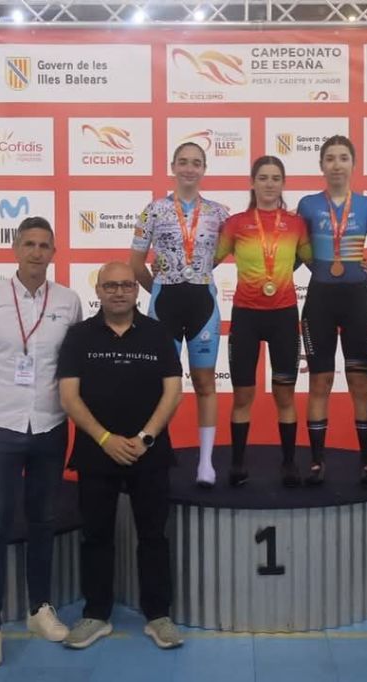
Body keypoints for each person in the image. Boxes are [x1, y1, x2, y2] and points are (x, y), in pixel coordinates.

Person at [0, 216, 83, 669]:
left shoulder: (68, 301)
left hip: (50, 425)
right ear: (15, 249)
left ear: (53, 252)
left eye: (44, 245)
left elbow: (73, 360)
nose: (36, 252)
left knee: (43, 520)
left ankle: (39, 609)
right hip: (2, 427)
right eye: (29, 244)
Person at [57, 261, 185, 650]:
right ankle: (96, 615)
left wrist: (145, 438)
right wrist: (104, 438)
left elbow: (173, 390)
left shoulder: (158, 333)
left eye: (126, 285)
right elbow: (69, 396)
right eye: (110, 286)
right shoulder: (78, 336)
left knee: (153, 536)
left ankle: (158, 616)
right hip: (96, 452)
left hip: (150, 452)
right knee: (96, 536)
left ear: (136, 290)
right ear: (98, 291)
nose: (118, 292)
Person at [130, 143, 230, 488]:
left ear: (204, 169)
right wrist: (158, 289)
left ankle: (206, 463)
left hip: (203, 304)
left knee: (205, 383)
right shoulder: (153, 210)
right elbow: (135, 263)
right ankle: (158, 455)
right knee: (161, 385)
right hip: (165, 304)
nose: (189, 168)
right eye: (183, 162)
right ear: (172, 166)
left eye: (196, 163)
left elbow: (224, 253)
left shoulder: (219, 213)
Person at [297, 135, 367, 485]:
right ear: (321, 165)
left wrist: (364, 276)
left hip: (357, 301)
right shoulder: (308, 205)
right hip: (319, 300)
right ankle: (317, 463)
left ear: (353, 164)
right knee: (319, 382)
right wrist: (320, 270)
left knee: (360, 384)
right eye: (330, 158)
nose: (336, 165)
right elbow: (298, 251)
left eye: (343, 158)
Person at [215, 156, 313, 487]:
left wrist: (352, 267)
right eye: (263, 178)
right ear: (252, 183)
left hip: (284, 315)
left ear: (283, 183)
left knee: (285, 396)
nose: (269, 184)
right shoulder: (235, 223)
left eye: (275, 178)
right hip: (246, 315)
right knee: (242, 395)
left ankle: (289, 463)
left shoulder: (296, 224)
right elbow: (208, 260)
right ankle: (237, 463)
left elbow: (315, 262)